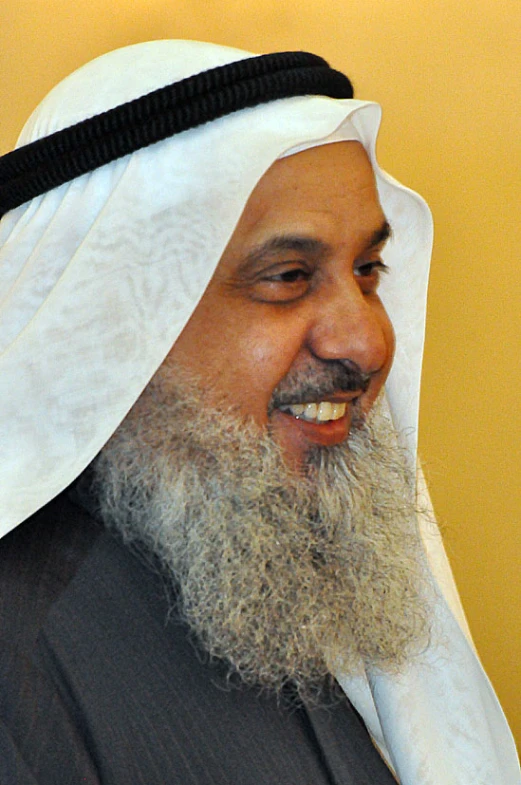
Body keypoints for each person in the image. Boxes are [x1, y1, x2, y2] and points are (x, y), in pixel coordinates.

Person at [0, 40, 518, 785]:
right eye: (286, 277)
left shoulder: (277, 555)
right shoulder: (23, 654)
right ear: (119, 322)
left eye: (366, 270)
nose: (366, 341)